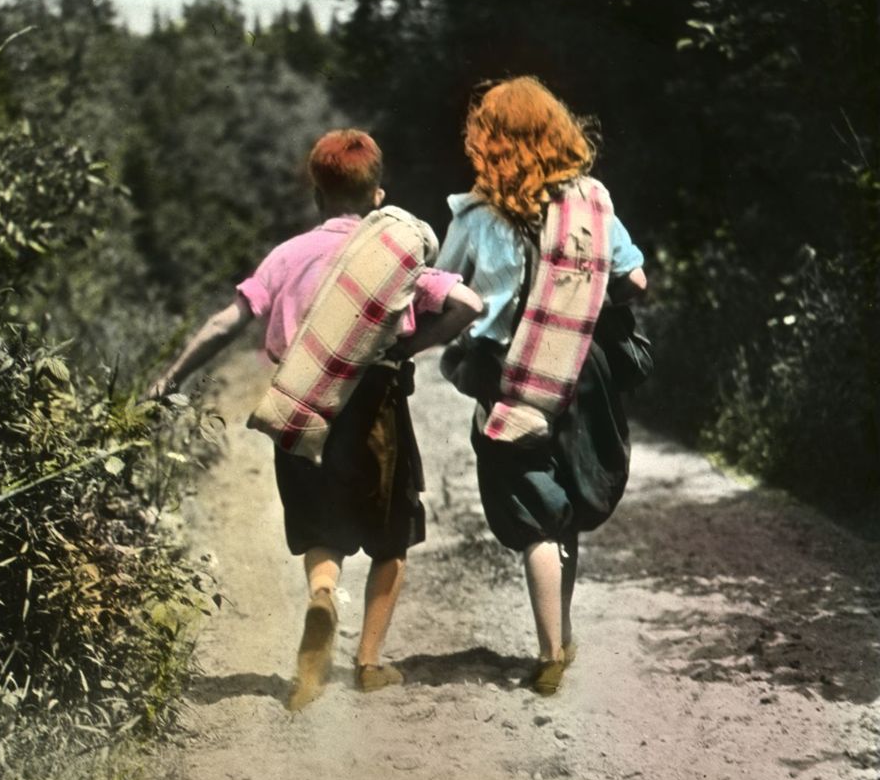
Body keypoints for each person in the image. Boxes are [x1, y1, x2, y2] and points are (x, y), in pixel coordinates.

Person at [147, 129, 483, 711]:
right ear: (378, 194)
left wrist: (170, 378)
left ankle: (323, 593)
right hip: (375, 404)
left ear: (316, 193)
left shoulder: (287, 255)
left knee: (321, 525)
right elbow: (467, 306)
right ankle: (369, 663)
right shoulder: (391, 254)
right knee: (391, 536)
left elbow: (228, 322)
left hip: (304, 405)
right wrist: (410, 347)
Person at [435, 76, 648, 696]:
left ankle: (550, 650)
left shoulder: (476, 215)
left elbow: (442, 288)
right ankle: (564, 633)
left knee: (534, 513)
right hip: (586, 369)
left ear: (488, 142)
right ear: (559, 131)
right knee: (570, 508)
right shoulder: (593, 201)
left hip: (511, 377)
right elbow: (635, 283)